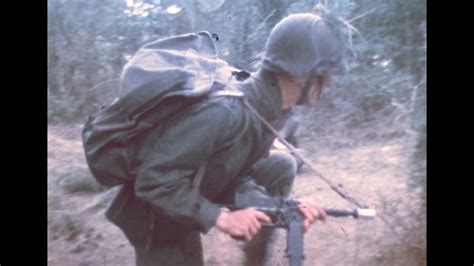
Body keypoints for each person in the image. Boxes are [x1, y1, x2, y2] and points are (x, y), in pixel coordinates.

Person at [105, 13, 348, 266]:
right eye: (324, 73)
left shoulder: (267, 110)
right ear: (300, 72)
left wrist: (282, 208)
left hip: (189, 187)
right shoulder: (225, 112)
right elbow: (152, 181)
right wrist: (220, 217)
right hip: (155, 211)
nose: (328, 82)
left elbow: (233, 173)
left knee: (282, 165)